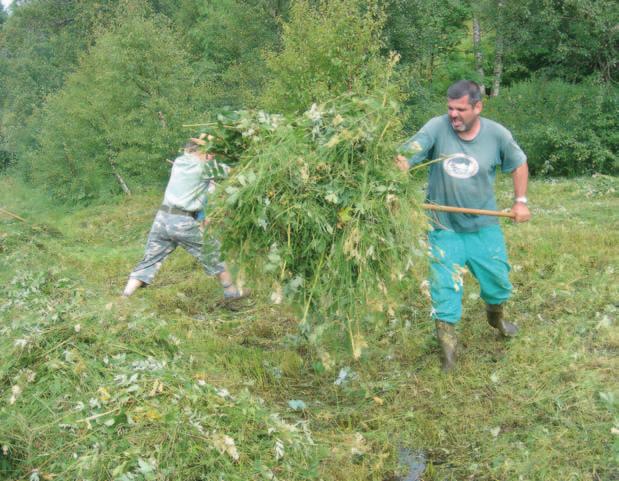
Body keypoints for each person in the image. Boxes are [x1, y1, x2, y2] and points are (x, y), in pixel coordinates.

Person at [395, 80, 531, 371]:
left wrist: (520, 201)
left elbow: (519, 164)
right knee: (444, 288)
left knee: (498, 283)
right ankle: (448, 354)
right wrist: (399, 168)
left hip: (484, 226)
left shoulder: (497, 135)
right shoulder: (436, 127)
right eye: (450, 108)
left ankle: (497, 320)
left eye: (460, 109)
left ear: (477, 107)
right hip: (443, 228)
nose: (453, 115)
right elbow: (406, 155)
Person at [122, 138, 250, 307]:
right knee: (214, 252)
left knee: (151, 259)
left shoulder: (179, 162)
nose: (212, 156)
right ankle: (232, 293)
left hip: (162, 219)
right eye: (210, 152)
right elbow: (236, 173)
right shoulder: (207, 167)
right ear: (199, 151)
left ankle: (124, 297)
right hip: (182, 221)